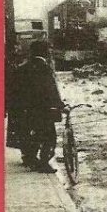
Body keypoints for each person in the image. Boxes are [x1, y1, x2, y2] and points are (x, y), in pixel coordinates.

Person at [13, 41, 66, 172]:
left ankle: (30, 158)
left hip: (27, 110)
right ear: (44, 52)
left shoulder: (22, 68)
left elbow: (15, 90)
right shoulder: (44, 68)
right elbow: (50, 90)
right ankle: (44, 163)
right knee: (50, 137)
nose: (50, 52)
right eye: (48, 50)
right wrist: (60, 105)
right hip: (43, 110)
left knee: (34, 135)